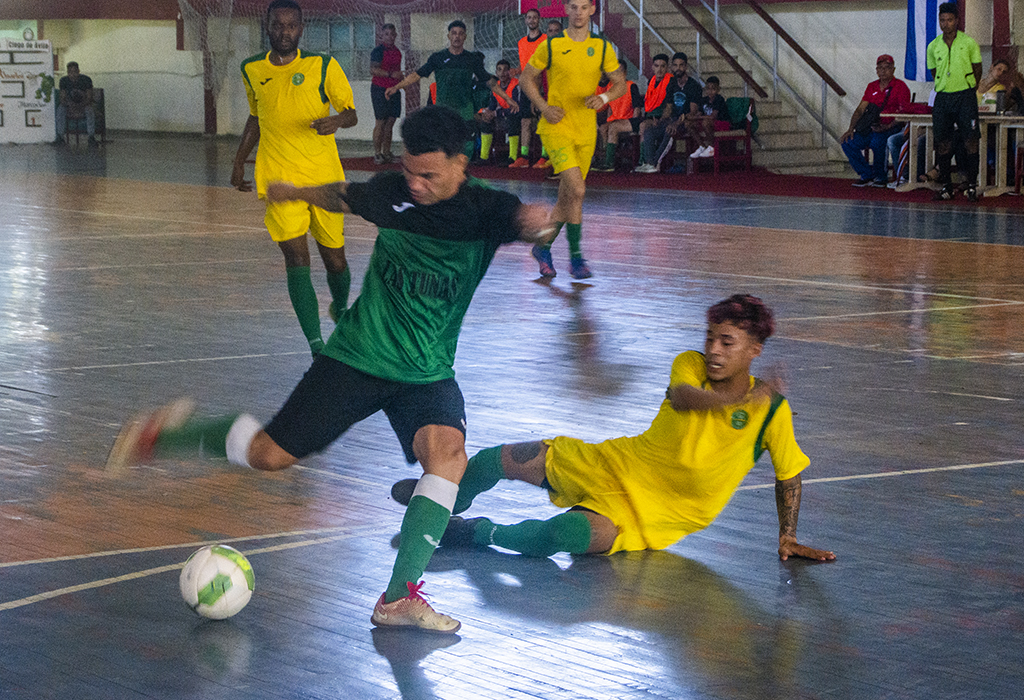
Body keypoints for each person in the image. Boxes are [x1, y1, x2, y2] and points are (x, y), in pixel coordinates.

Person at [106, 106, 554, 634]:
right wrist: (293, 190)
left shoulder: (488, 210)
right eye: (408, 170)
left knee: (447, 457)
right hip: (357, 358)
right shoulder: (393, 192)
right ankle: (171, 433)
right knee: (268, 456)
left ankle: (397, 599)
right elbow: (343, 195)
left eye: (428, 174)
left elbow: (531, 227)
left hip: (427, 370)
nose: (415, 183)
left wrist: (540, 225)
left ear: (461, 165)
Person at [389, 294, 836, 564]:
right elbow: (684, 399)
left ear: (754, 349)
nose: (713, 350)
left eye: (727, 342)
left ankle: (476, 532)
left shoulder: (772, 411)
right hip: (616, 464)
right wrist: (738, 399)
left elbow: (788, 474)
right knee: (507, 457)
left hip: (652, 516)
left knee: (564, 536)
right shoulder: (691, 366)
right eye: (710, 338)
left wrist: (788, 536)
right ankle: (447, 497)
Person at [231, 0, 357, 357]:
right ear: (267, 26)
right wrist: (240, 160)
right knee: (296, 259)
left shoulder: (323, 65)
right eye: (277, 25)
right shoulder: (251, 69)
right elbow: (255, 117)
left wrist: (336, 121)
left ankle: (341, 306)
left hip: (324, 179)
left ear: (301, 29)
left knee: (336, 260)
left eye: (291, 26)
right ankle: (317, 345)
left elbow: (351, 114)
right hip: (278, 179)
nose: (284, 32)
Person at [520, 0, 625, 280]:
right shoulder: (551, 45)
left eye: (583, 7)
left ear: (592, 10)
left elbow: (620, 83)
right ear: (565, 9)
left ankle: (543, 248)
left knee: (568, 196)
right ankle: (576, 259)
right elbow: (526, 79)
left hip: (586, 129)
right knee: (577, 190)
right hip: (556, 127)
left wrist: (603, 98)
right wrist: (544, 107)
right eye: (573, 7)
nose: (578, 12)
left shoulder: (602, 47)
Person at [386, 20, 517, 159]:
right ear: (448, 36)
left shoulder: (471, 59)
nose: (457, 37)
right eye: (454, 33)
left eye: (460, 34)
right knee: (443, 148)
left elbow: (490, 82)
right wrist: (396, 87)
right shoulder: (438, 58)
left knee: (466, 148)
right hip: (443, 110)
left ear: (465, 37)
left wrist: (508, 98)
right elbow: (417, 75)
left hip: (465, 109)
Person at [927, 2, 983, 201]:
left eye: (950, 20)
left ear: (957, 20)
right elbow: (934, 72)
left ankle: (971, 186)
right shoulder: (933, 46)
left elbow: (978, 69)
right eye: (942, 20)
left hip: (965, 96)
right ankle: (947, 187)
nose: (946, 24)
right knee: (942, 142)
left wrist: (968, 87)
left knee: (971, 141)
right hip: (943, 98)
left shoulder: (969, 43)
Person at [839, 54, 911, 187]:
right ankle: (866, 174)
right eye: (880, 68)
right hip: (870, 127)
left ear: (893, 69)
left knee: (877, 141)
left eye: (887, 68)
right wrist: (851, 129)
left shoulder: (901, 87)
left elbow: (903, 113)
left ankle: (880, 176)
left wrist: (887, 126)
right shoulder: (872, 86)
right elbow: (860, 110)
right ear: (876, 70)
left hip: (892, 126)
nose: (883, 71)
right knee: (847, 142)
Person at [636, 52, 701, 174]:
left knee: (669, 130)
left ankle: (655, 164)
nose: (678, 68)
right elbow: (669, 108)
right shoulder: (672, 84)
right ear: (672, 67)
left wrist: (675, 123)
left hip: (686, 122)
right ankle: (648, 163)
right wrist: (660, 121)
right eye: (675, 65)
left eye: (681, 65)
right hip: (671, 120)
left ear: (686, 67)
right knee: (649, 130)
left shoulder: (693, 86)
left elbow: (693, 112)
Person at [510, 8, 546, 168]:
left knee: (543, 121)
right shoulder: (521, 42)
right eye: (529, 18)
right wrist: (517, 70)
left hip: (542, 85)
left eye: (534, 18)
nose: (531, 20)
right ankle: (524, 156)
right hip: (525, 86)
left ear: (539, 20)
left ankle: (544, 156)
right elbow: (525, 64)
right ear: (525, 20)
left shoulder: (545, 40)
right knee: (525, 121)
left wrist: (538, 91)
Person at [593, 64, 641, 172]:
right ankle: (604, 158)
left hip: (629, 120)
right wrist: (608, 120)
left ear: (625, 73)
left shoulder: (631, 86)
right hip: (615, 120)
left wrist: (634, 124)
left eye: (620, 72)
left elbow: (637, 108)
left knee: (613, 128)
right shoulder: (610, 87)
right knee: (603, 128)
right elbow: (610, 107)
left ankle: (609, 163)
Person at [476, 59, 521, 164]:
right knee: (485, 120)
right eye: (499, 70)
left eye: (505, 70)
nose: (502, 73)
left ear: (510, 72)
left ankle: (512, 157)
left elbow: (516, 108)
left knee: (512, 118)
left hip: (516, 115)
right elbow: (492, 106)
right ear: (496, 72)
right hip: (501, 115)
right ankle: (484, 158)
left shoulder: (515, 84)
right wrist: (487, 113)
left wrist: (496, 113)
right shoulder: (496, 86)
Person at [370, 23, 403, 165]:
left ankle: (387, 152)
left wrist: (400, 80)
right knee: (381, 121)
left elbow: (398, 72)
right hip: (379, 89)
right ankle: (377, 153)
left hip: (394, 89)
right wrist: (390, 74)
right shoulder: (378, 51)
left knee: (390, 121)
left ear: (395, 35)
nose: (389, 36)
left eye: (392, 34)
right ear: (382, 36)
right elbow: (373, 70)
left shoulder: (398, 52)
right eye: (386, 34)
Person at [632, 54, 672, 170]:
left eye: (663, 66)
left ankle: (644, 161)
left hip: (663, 118)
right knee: (642, 124)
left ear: (667, 68)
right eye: (657, 66)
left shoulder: (670, 81)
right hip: (650, 116)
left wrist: (660, 119)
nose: (659, 69)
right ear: (652, 67)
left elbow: (669, 106)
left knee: (644, 126)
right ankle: (645, 161)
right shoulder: (651, 81)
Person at [55, 62, 98, 146]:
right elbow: (62, 98)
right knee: (60, 110)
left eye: (74, 71)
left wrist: (80, 106)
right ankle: (60, 136)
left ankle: (91, 137)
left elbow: (89, 97)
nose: (72, 74)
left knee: (89, 111)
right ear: (67, 73)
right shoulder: (64, 81)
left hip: (84, 104)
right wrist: (70, 106)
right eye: (70, 72)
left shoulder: (86, 80)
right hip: (69, 105)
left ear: (78, 71)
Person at [688, 75, 728, 159]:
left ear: (718, 90)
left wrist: (698, 117)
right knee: (689, 124)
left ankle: (712, 147)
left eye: (713, 89)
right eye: (708, 89)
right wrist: (692, 117)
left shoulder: (719, 99)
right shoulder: (704, 100)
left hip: (722, 122)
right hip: (707, 122)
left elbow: (713, 116)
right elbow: (699, 114)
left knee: (705, 122)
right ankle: (702, 146)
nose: (710, 91)